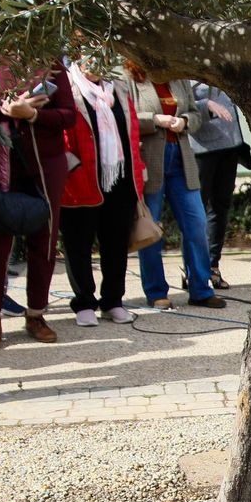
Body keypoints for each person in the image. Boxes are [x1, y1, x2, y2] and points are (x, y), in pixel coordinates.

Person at [0, 60, 77, 351]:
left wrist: (31, 114)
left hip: (44, 161)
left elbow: (69, 116)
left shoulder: (50, 63)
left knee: (44, 239)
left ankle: (36, 315)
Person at [126, 67, 222, 308]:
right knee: (151, 228)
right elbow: (125, 116)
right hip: (150, 159)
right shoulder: (129, 78)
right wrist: (155, 120)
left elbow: (194, 112)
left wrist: (186, 121)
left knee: (196, 223)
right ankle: (156, 292)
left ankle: (200, 289)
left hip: (181, 159)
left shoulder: (177, 77)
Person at [59, 57, 145, 327]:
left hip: (119, 177)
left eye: (100, 53)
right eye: (87, 53)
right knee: (78, 242)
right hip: (80, 178)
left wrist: (138, 168)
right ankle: (84, 301)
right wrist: (70, 166)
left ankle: (113, 301)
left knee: (116, 242)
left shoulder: (118, 87)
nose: (93, 59)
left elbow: (130, 129)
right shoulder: (68, 87)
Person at [191, 83, 248, 289]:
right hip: (201, 148)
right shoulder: (186, 69)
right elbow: (180, 106)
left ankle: (212, 264)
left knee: (220, 208)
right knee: (196, 210)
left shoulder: (223, 66)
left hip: (230, 145)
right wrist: (206, 105)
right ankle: (193, 270)